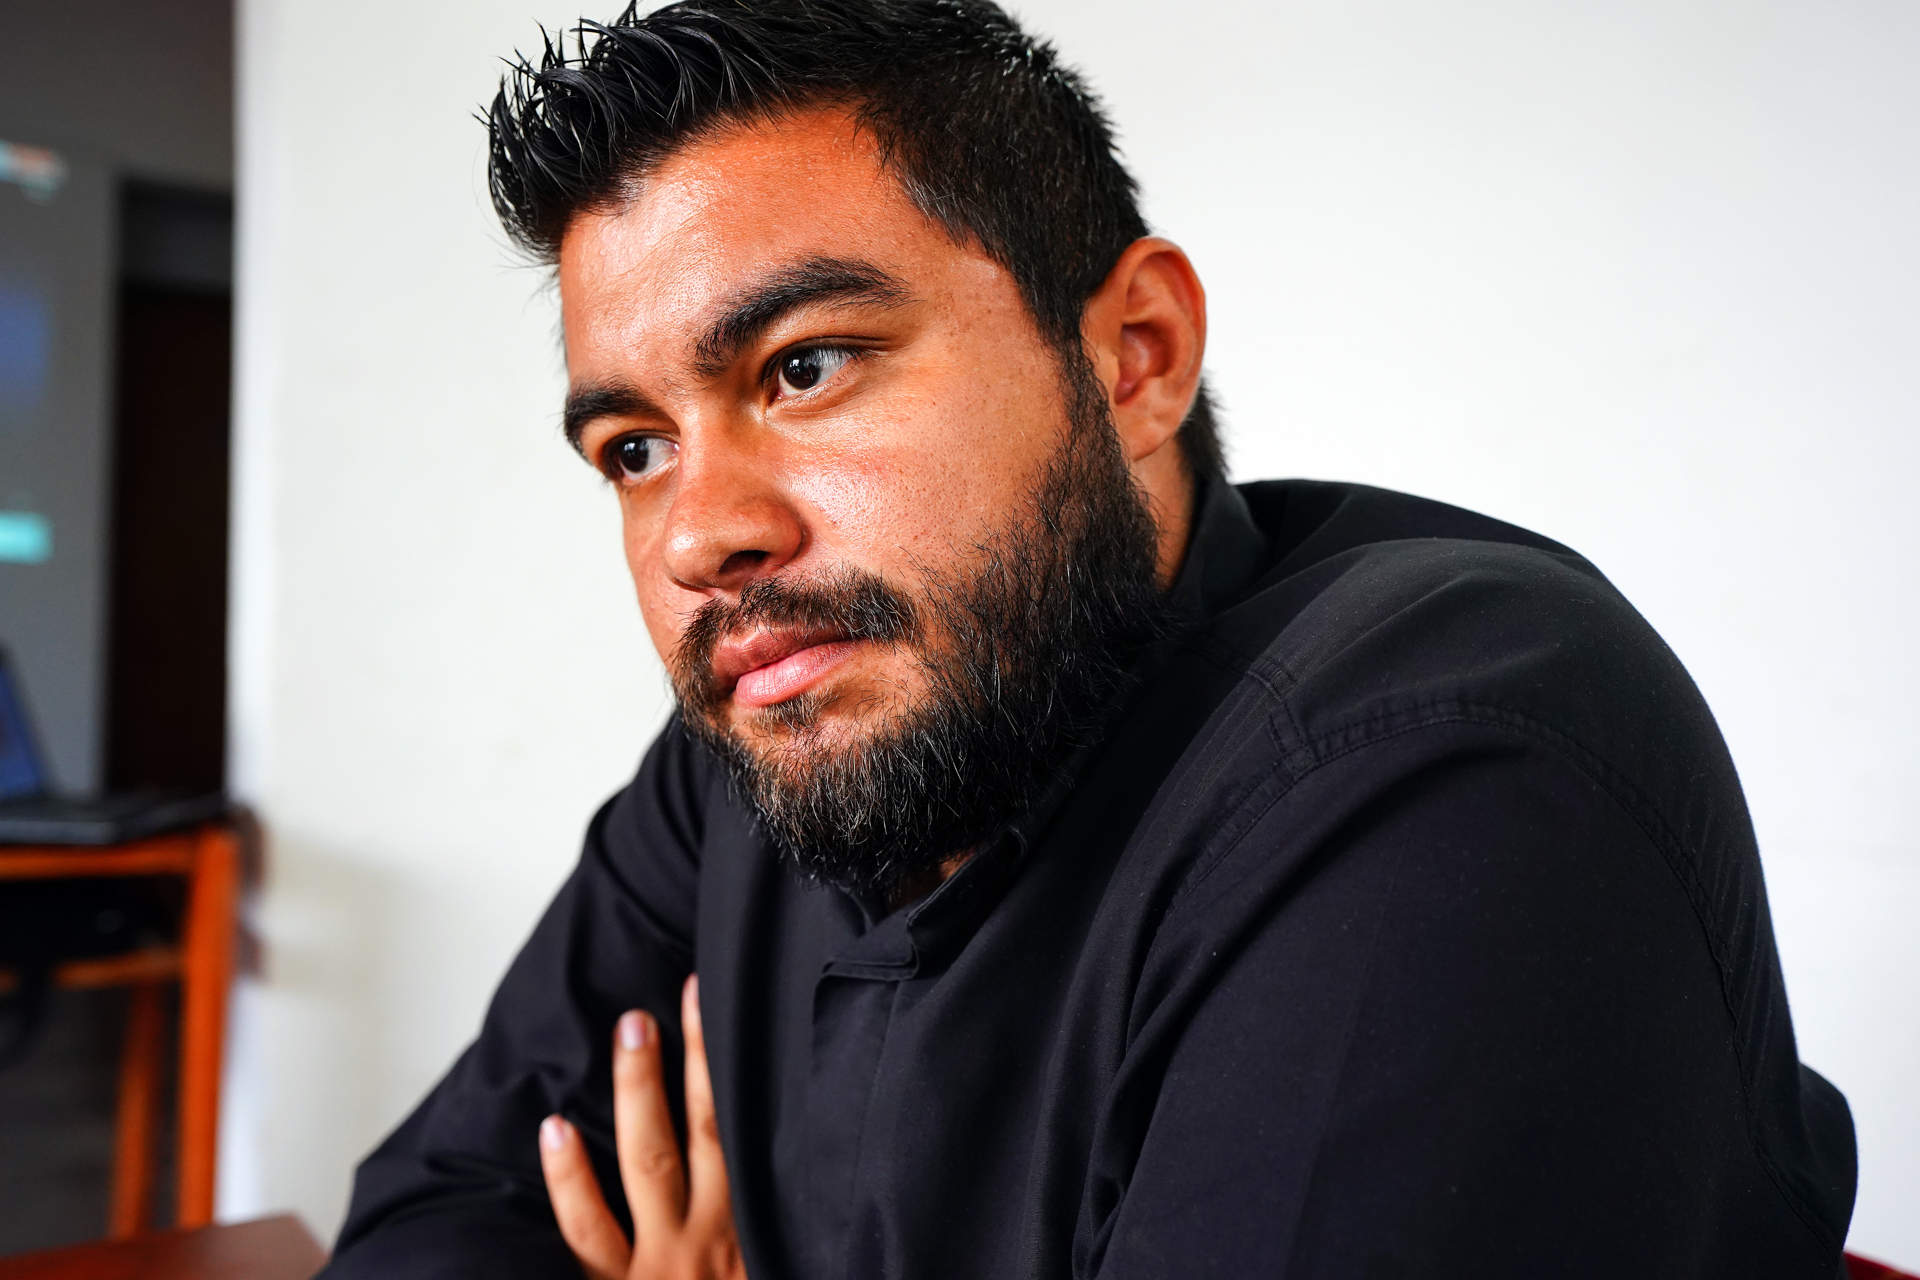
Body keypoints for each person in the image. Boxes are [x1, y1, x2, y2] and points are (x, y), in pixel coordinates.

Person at [320, 2, 1858, 1276]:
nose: (695, 534)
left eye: (804, 367)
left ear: (1134, 358)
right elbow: (421, 1228)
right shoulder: (765, 740)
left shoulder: (1451, 761)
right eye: (634, 447)